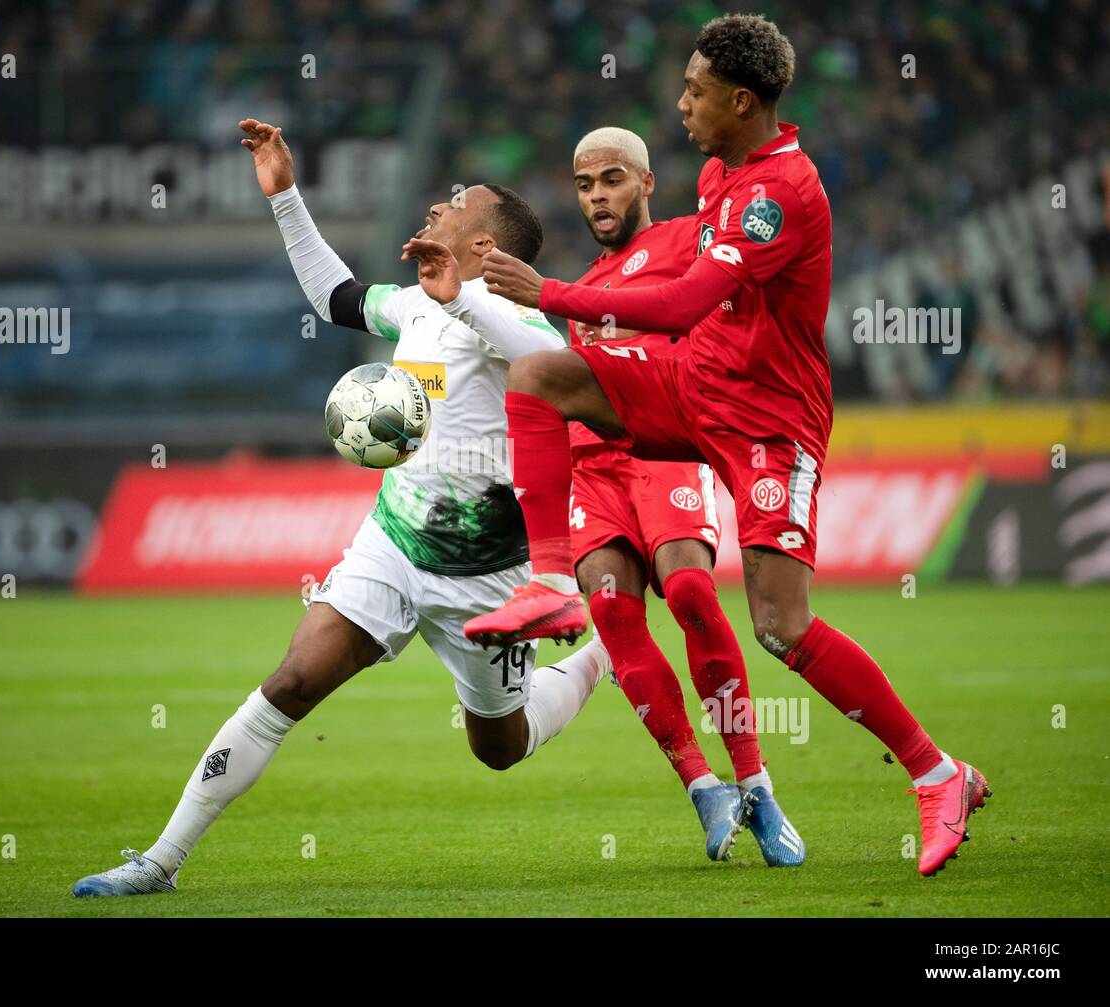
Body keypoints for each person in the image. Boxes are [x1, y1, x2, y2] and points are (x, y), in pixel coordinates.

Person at [464, 15, 989, 878]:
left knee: (781, 627)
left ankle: (938, 774)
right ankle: (550, 583)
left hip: (767, 421)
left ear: (740, 100)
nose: (681, 104)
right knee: (540, 380)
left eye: (695, 91)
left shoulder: (783, 194)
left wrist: (546, 288)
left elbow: (680, 306)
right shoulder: (720, 171)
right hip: (694, 388)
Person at [72, 119, 609, 897]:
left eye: (455, 204)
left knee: (499, 745)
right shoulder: (417, 305)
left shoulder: (513, 317)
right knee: (292, 680)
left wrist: (466, 298)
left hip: (487, 575)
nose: (435, 206)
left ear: (488, 244)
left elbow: (547, 363)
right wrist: (285, 192)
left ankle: (599, 661)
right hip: (392, 544)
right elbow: (335, 296)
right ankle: (159, 860)